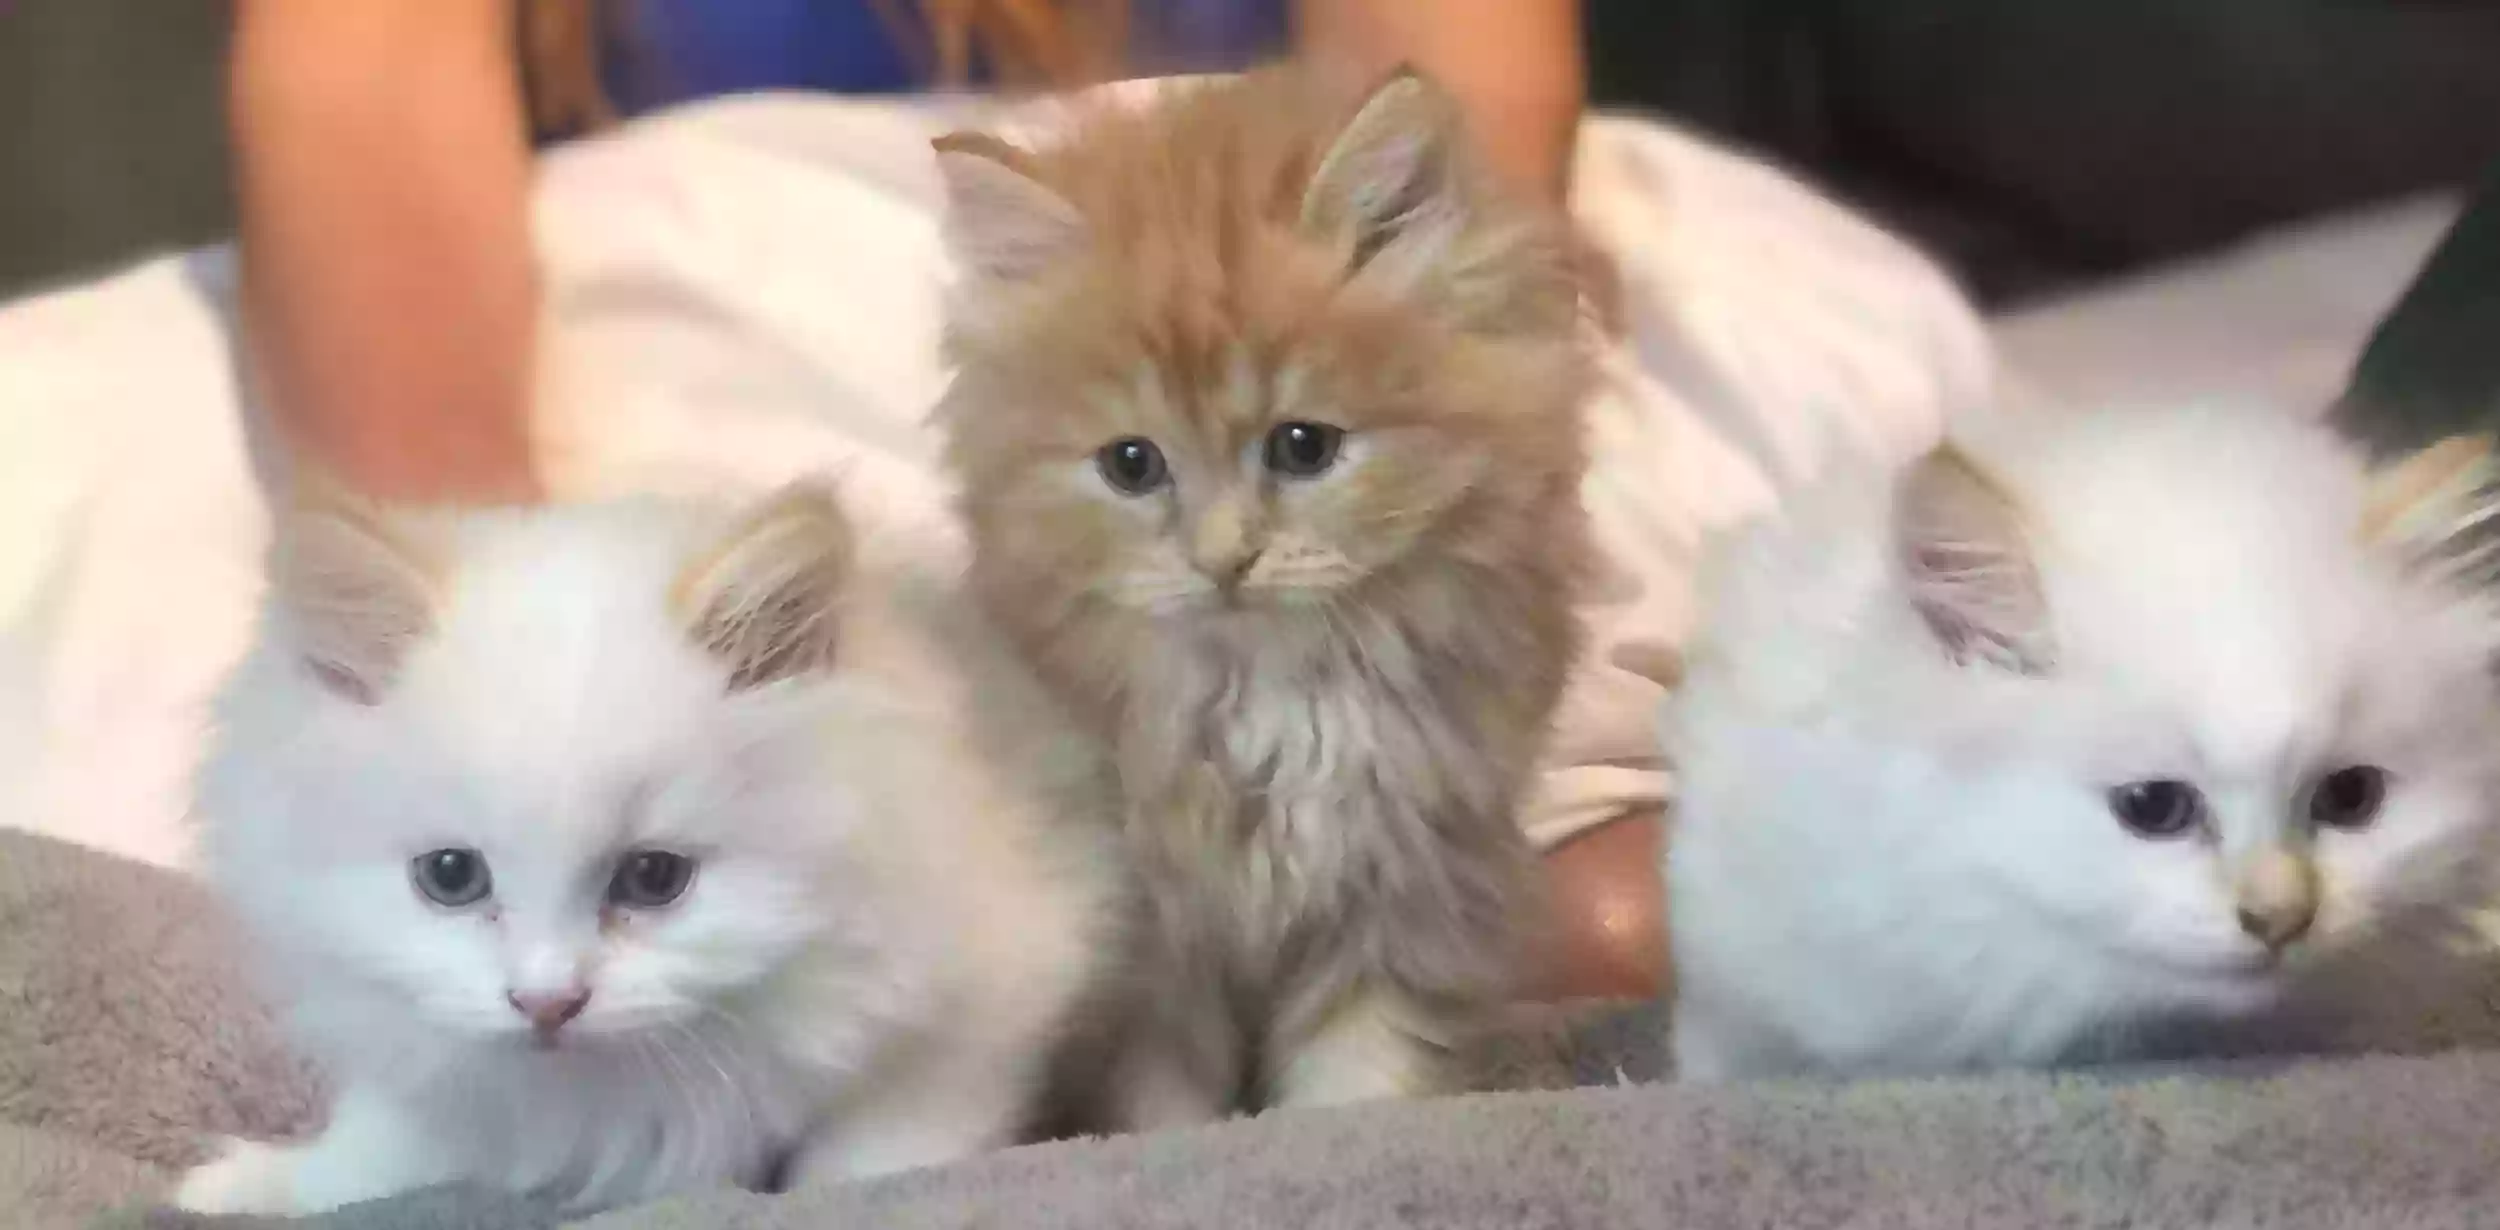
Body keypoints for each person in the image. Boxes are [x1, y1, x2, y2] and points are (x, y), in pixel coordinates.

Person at [226, 0, 1659, 1002]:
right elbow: (359, 91)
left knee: (1598, 903)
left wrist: (1469, 467)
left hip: (1311, 326)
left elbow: (1443, 120)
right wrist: (502, 651)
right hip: (690, 305)